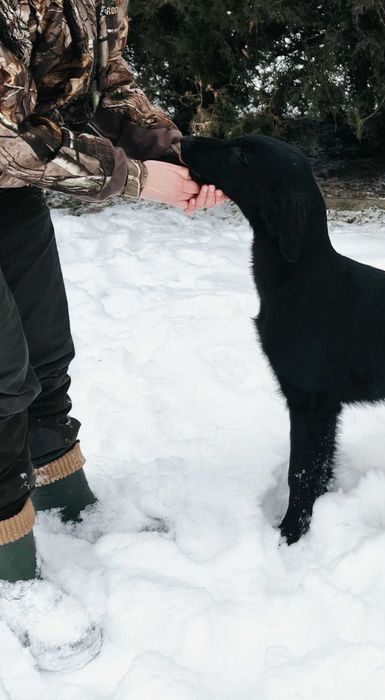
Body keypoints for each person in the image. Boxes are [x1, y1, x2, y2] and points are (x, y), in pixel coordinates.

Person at [0, 0, 226, 670]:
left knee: (45, 348)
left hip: (10, 187)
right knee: (0, 375)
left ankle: (65, 496)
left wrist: (179, 155)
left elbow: (108, 87)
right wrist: (132, 179)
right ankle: (11, 570)